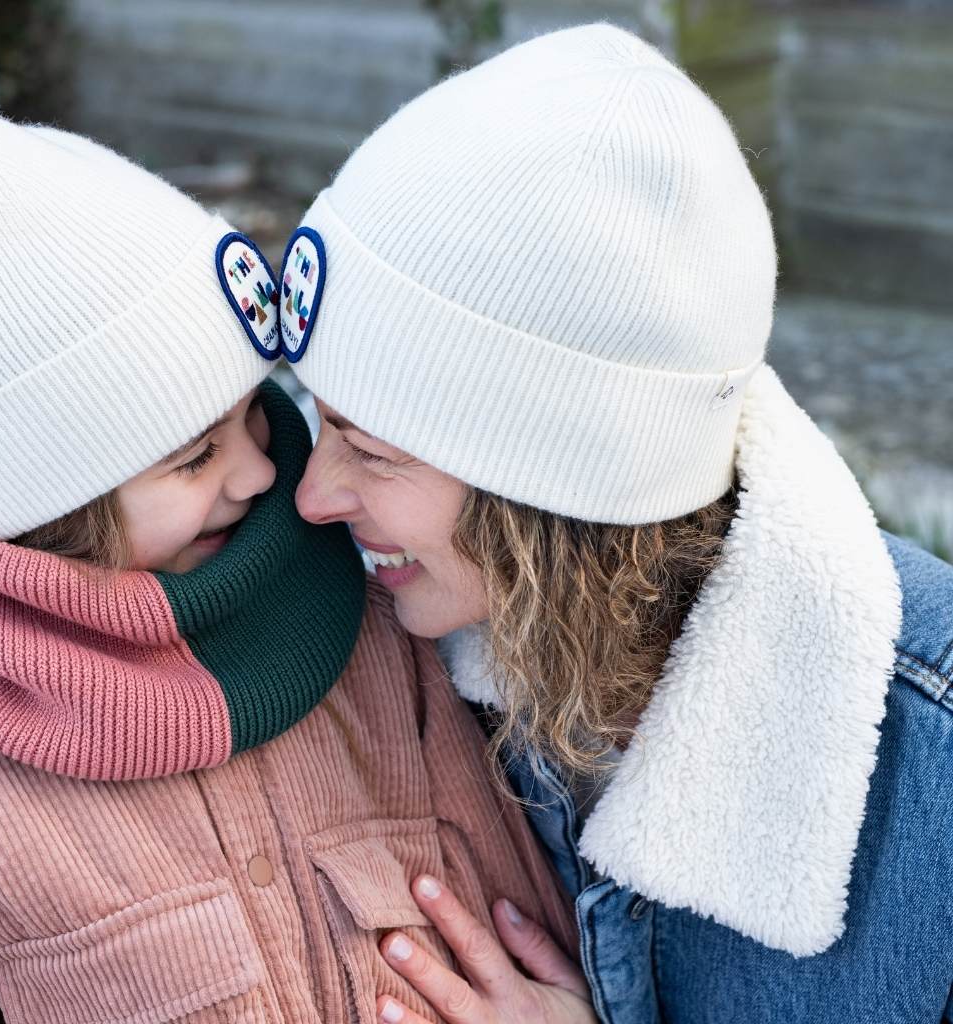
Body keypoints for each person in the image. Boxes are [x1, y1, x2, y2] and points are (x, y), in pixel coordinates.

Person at [289, 23, 953, 1024]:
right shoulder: (381, 635)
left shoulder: (932, 756)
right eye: (316, 420)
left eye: (373, 449)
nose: (312, 495)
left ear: (557, 491)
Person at [0, 107, 579, 1023]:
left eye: (255, 413)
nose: (266, 472)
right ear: (45, 511)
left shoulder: (374, 627)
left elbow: (534, 934)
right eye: (195, 457)